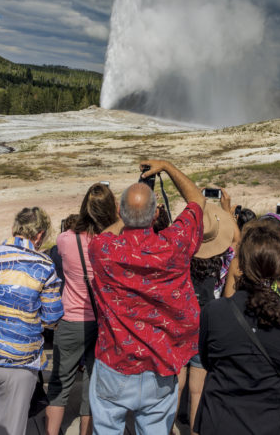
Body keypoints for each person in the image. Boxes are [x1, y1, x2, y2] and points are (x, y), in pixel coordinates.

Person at [88, 160, 205, 435]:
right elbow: (197, 200)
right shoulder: (174, 245)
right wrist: (167, 167)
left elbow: (107, 233)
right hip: (161, 367)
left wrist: (128, 215)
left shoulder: (103, 250)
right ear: (156, 215)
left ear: (119, 212)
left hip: (114, 363)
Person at [195, 219, 280, 435]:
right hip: (271, 425)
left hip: (219, 422)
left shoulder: (214, 312)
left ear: (241, 265)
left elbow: (208, 361)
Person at [0, 206, 63, 435]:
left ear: (14, 228)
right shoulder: (43, 265)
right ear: (40, 235)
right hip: (18, 360)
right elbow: (52, 318)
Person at [45, 184, 118, 435]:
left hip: (71, 319)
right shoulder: (113, 241)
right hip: (102, 323)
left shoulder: (65, 240)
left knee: (59, 383)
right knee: (92, 384)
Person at [175, 188, 238, 435]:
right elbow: (237, 241)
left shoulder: (182, 256)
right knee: (198, 387)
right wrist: (227, 211)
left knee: (177, 380)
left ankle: (167, 425)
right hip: (208, 322)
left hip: (183, 320)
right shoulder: (225, 260)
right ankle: (194, 430)